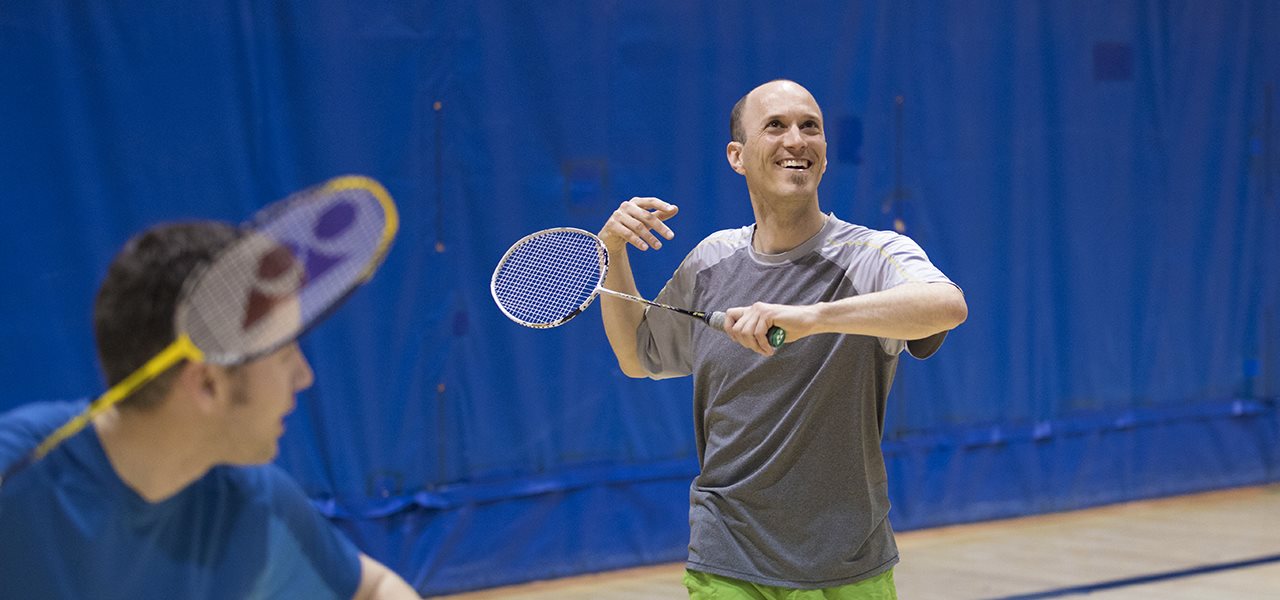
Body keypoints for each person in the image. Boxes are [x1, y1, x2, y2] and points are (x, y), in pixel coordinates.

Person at [598, 80, 968, 599]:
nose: (796, 139)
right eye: (775, 126)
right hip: (727, 555)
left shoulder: (870, 254)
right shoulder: (710, 261)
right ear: (737, 155)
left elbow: (947, 305)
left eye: (809, 127)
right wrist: (612, 250)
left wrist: (812, 317)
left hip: (847, 563)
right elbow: (638, 356)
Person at [0, 222, 419, 599]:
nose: (304, 376)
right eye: (286, 352)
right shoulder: (17, 473)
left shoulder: (255, 503)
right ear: (207, 383)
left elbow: (373, 589)